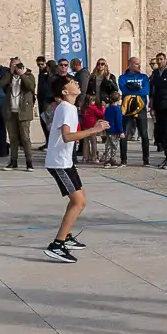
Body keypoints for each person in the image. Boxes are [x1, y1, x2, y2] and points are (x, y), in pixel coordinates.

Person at [41, 72, 105, 261]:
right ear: (65, 90)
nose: (77, 83)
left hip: (65, 161)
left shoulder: (68, 107)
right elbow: (67, 136)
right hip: (59, 163)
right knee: (78, 202)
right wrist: (93, 130)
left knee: (81, 200)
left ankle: (66, 236)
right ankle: (57, 245)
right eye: (72, 82)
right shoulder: (66, 108)